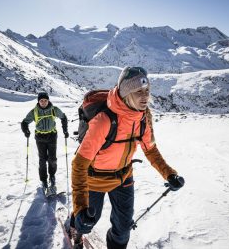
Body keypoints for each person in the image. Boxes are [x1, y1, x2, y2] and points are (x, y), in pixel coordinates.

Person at [71, 67, 185, 249]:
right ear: (126, 94)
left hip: (123, 178)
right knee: (88, 219)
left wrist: (169, 174)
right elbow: (79, 165)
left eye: (147, 91)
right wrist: (79, 208)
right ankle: (76, 231)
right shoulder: (104, 121)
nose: (145, 96)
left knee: (123, 228)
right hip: (94, 180)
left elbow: (150, 150)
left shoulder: (142, 119)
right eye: (138, 91)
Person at [21, 92, 69, 191]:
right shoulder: (34, 112)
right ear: (38, 101)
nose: (43, 102)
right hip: (40, 137)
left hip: (52, 136)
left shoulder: (54, 110)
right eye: (41, 100)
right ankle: (43, 180)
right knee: (42, 160)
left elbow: (63, 118)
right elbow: (24, 122)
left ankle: (52, 176)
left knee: (52, 159)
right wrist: (26, 131)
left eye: (45, 100)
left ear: (48, 100)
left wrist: (65, 130)